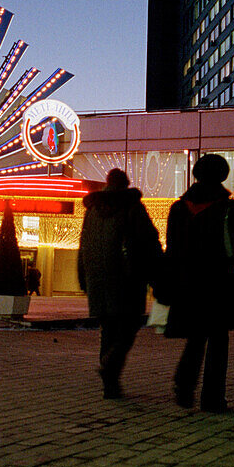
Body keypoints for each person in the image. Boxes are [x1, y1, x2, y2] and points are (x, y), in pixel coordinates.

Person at [163, 154, 234, 412]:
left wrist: (167, 281)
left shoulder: (178, 208)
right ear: (222, 175)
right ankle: (213, 398)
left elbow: (172, 249)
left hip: (189, 284)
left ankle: (184, 386)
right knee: (218, 341)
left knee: (196, 337)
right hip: (218, 282)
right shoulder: (226, 208)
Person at [77, 168, 162, 399]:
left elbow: (83, 244)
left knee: (108, 330)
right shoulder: (133, 207)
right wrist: (158, 276)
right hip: (128, 280)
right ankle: (110, 366)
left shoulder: (92, 210)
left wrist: (83, 277)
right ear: (126, 184)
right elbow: (149, 243)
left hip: (98, 280)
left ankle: (110, 384)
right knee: (129, 327)